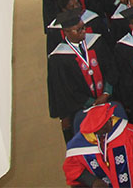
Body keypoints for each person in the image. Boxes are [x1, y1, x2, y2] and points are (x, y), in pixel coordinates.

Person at [48, 9, 117, 141]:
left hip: (107, 99)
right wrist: (92, 102)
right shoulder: (58, 58)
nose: (83, 31)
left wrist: (106, 93)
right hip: (81, 108)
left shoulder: (97, 42)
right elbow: (66, 89)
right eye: (78, 30)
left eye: (83, 27)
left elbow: (111, 67)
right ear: (66, 32)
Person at [62, 103, 133, 188]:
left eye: (109, 121)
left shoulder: (127, 132)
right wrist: (93, 181)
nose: (109, 124)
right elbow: (73, 169)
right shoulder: (78, 146)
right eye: (103, 126)